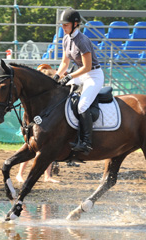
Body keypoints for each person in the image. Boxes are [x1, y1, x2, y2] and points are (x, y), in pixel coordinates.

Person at [53, 8, 104, 155]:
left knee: (82, 106)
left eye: (66, 25)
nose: (63, 27)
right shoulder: (66, 39)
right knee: (59, 94)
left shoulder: (82, 40)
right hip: (79, 73)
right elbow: (64, 62)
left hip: (93, 75)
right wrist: (57, 76)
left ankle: (86, 142)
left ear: (75, 24)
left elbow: (87, 67)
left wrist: (69, 77)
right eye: (62, 25)